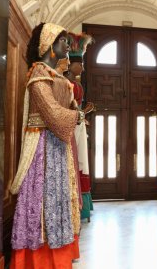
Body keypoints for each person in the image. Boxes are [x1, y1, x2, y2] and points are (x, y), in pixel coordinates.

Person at [9, 22, 83, 269]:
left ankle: (58, 256)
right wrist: (76, 116)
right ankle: (38, 260)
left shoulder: (56, 76)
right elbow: (52, 112)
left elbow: (65, 107)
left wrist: (74, 110)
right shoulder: (39, 74)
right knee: (43, 198)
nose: (67, 45)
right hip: (44, 146)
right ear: (49, 44)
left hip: (57, 144)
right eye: (62, 41)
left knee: (58, 198)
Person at [66, 32, 95, 222]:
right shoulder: (67, 84)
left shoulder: (76, 85)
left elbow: (76, 111)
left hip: (76, 127)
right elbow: (68, 110)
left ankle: (82, 206)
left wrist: (84, 113)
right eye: (81, 64)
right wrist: (84, 113)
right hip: (69, 130)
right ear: (72, 63)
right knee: (76, 163)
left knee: (81, 163)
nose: (83, 69)